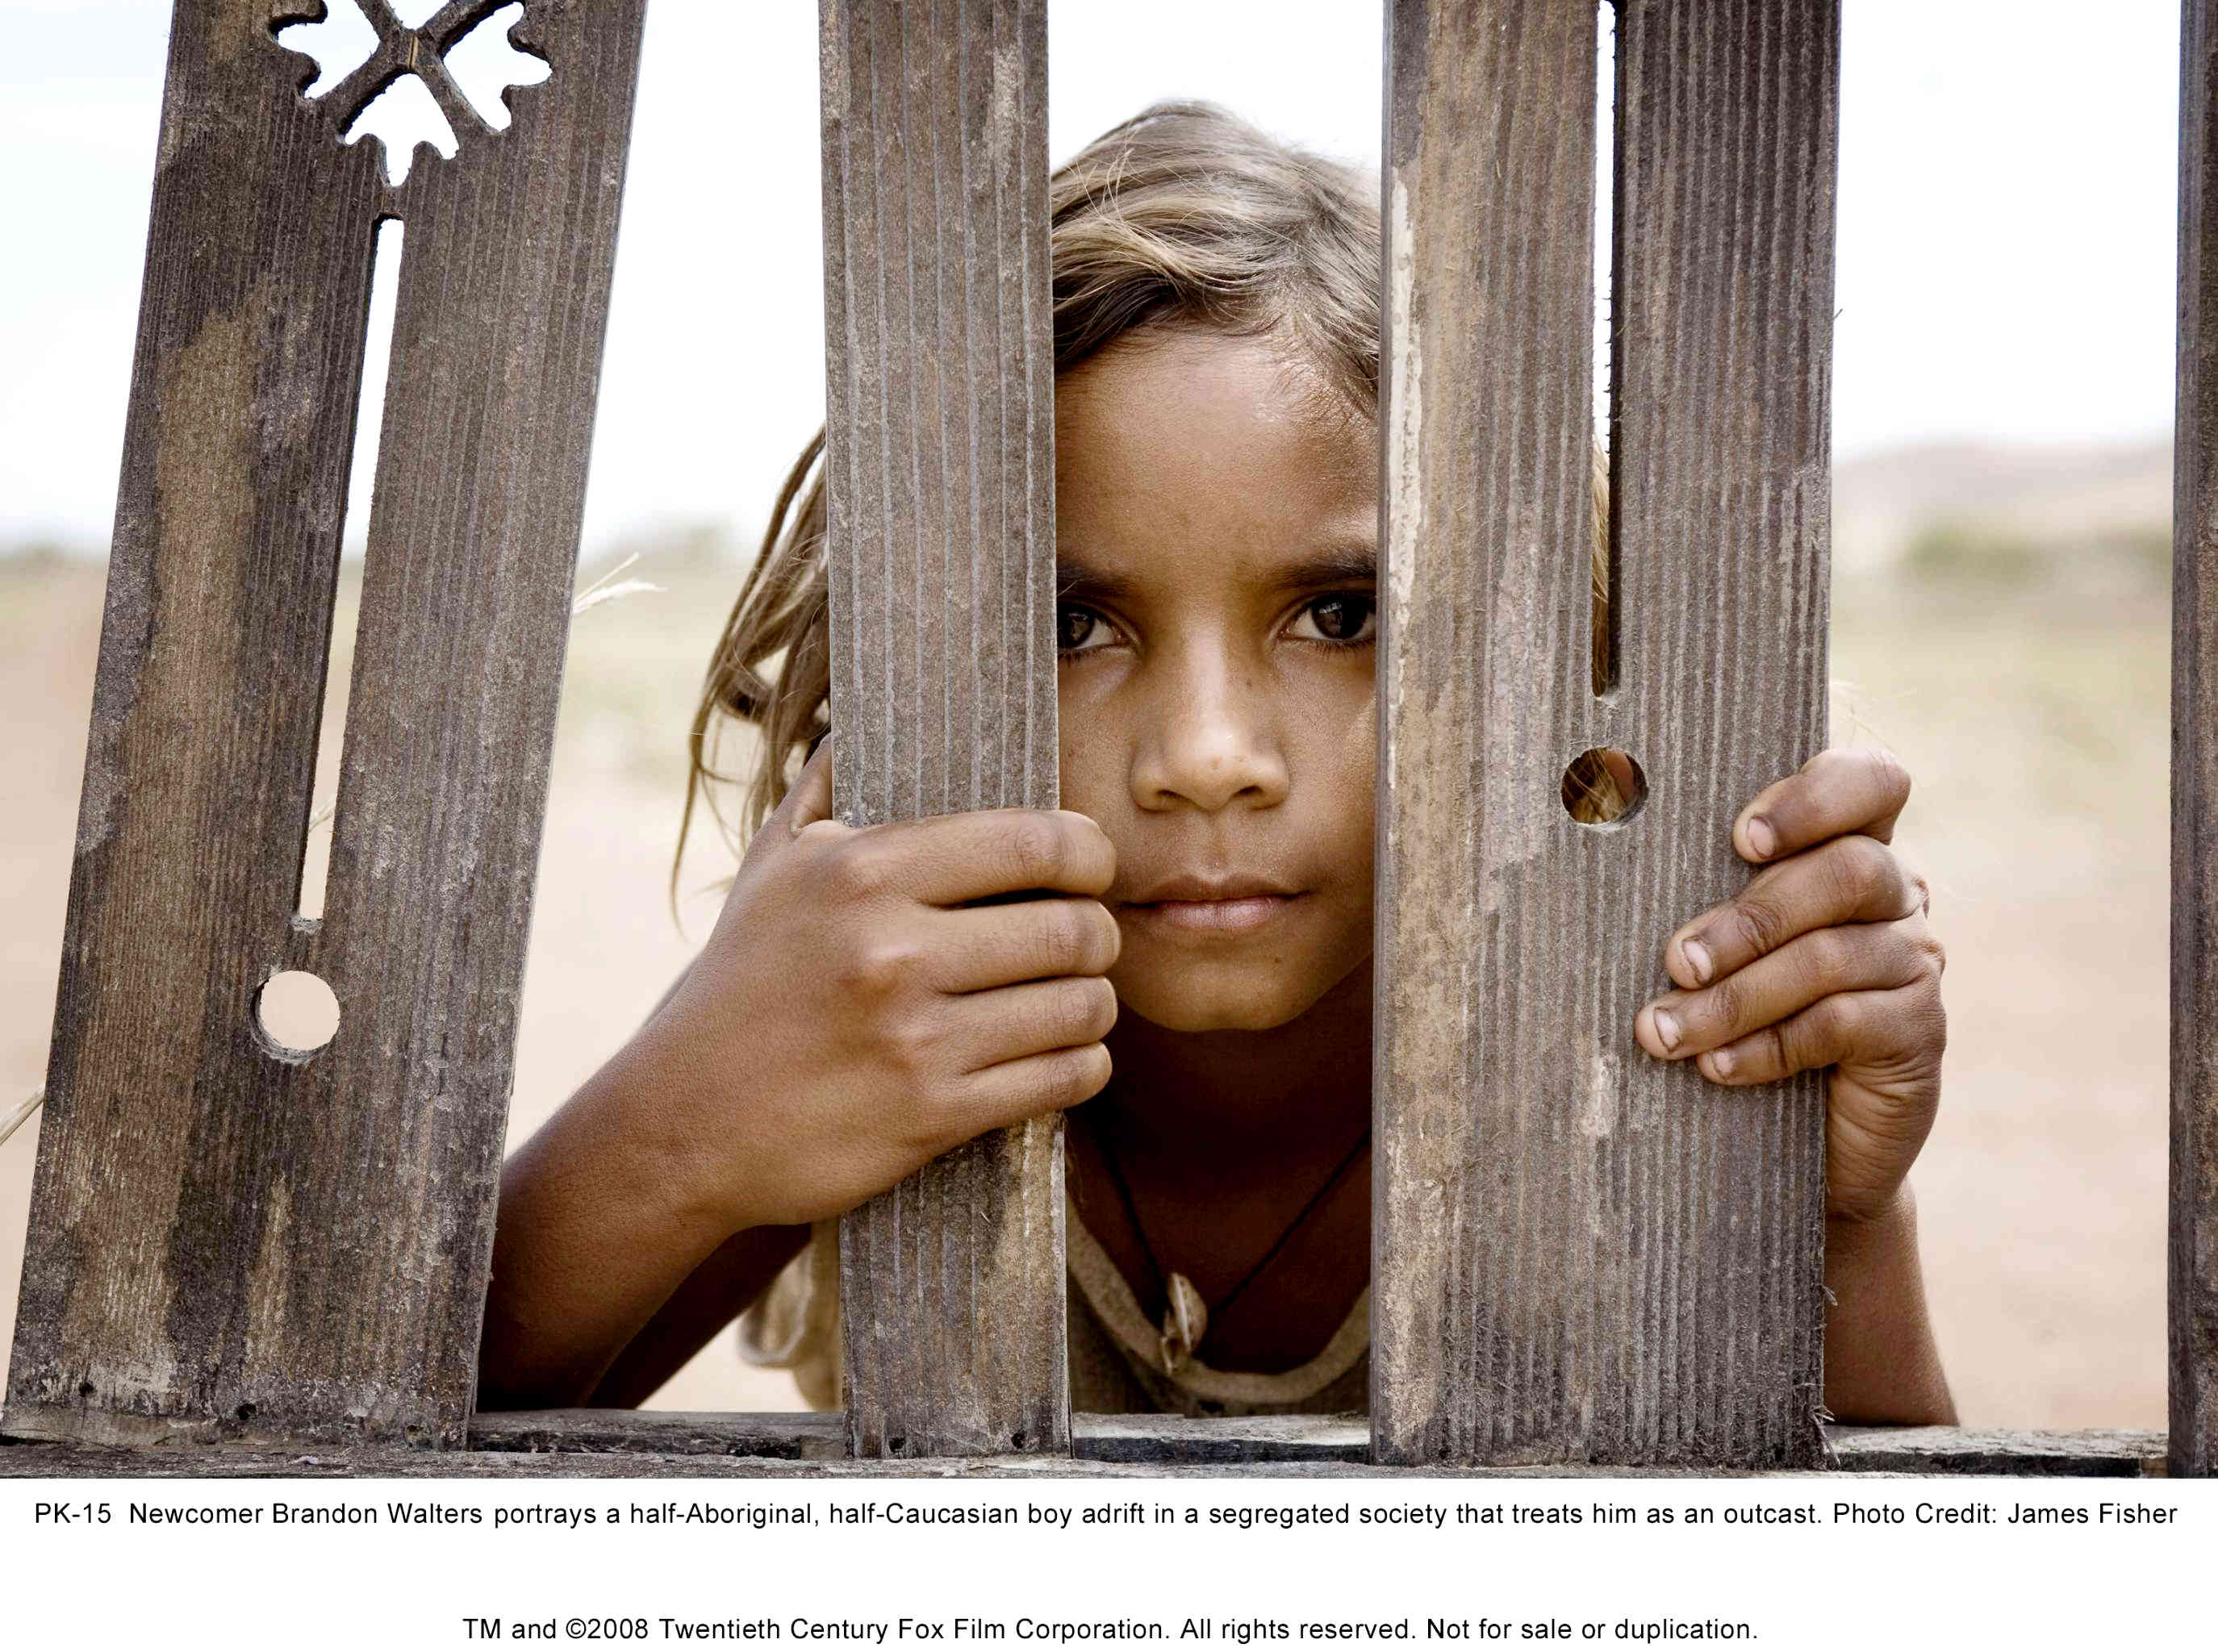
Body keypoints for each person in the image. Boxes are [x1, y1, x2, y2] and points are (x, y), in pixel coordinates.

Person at [476, 103, 1955, 1426]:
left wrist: (1823, 1220)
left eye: (1340, 616)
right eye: (1071, 622)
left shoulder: (1622, 1040)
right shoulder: (893, 1025)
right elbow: (394, 1444)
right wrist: (683, 1119)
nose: (1207, 761)